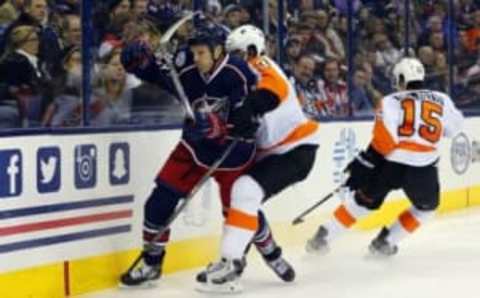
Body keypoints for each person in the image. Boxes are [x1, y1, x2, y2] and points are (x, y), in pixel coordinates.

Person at [117, 21, 284, 287]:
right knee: (158, 202)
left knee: (240, 211)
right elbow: (161, 78)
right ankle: (152, 264)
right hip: (194, 149)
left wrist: (222, 127)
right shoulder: (187, 68)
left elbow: (247, 119)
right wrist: (141, 65)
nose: (196, 59)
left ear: (218, 51)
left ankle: (270, 250)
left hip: (233, 153)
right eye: (193, 53)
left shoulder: (239, 73)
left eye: (202, 53)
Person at [196, 25, 320, 293]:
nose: (232, 60)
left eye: (237, 54)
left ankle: (231, 263)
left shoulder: (258, 64)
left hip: (294, 150)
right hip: (275, 152)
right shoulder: (237, 78)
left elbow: (270, 92)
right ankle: (267, 255)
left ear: (251, 50)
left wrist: (251, 108)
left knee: (244, 191)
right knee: (241, 201)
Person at [306, 57, 464, 257]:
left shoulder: (390, 101)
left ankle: (322, 238)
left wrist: (363, 164)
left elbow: (384, 140)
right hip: (423, 167)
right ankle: (385, 242)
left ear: (401, 78)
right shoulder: (443, 99)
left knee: (362, 202)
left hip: (390, 164)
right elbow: (454, 128)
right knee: (426, 208)